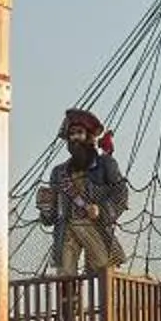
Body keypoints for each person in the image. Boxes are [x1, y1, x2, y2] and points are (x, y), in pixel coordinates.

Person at [41, 108, 129, 279]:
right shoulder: (59, 173)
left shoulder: (105, 164)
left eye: (79, 133)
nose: (74, 138)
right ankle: (68, 305)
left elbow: (121, 194)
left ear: (89, 136)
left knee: (105, 269)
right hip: (66, 229)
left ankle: (111, 300)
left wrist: (101, 210)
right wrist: (45, 210)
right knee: (65, 274)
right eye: (71, 134)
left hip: (94, 226)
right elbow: (50, 217)